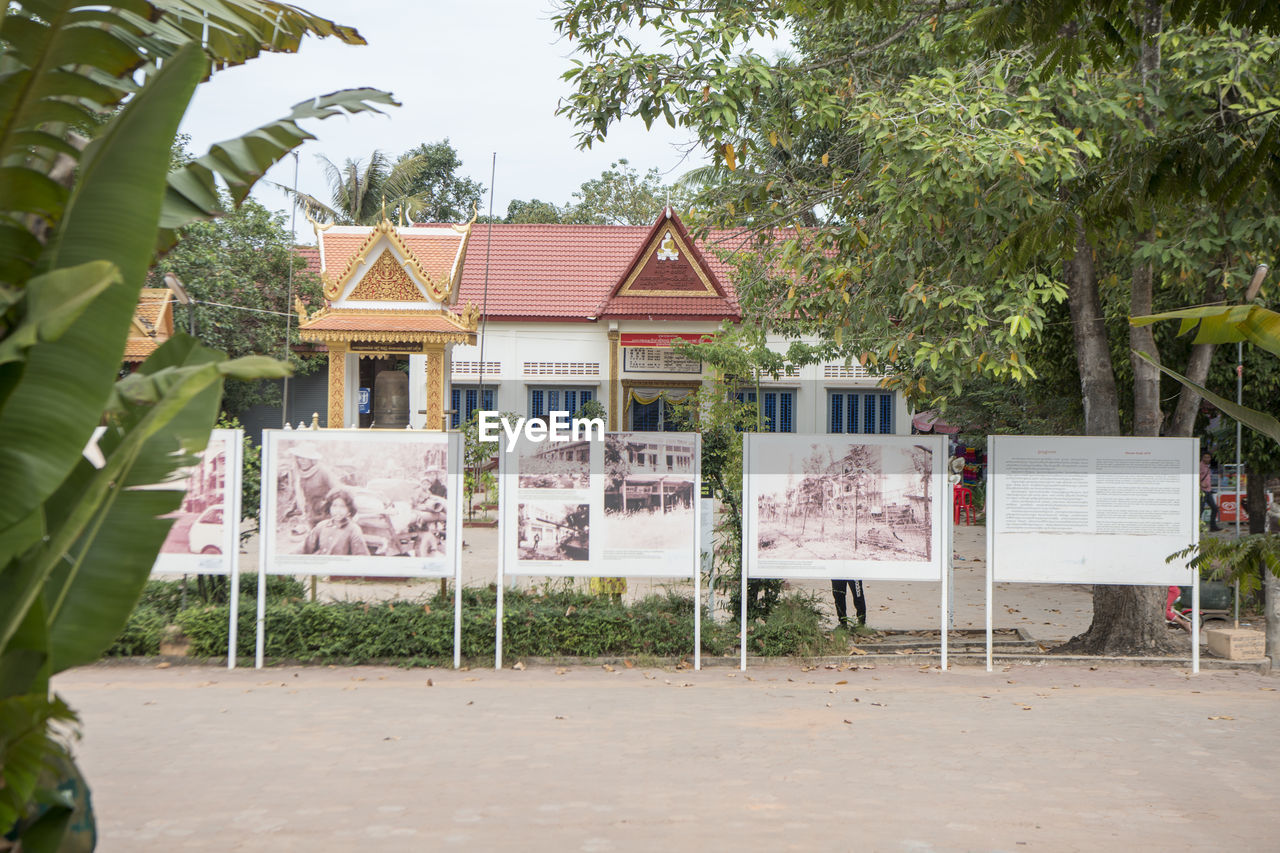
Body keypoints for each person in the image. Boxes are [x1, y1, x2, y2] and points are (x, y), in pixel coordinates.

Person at [303, 489, 370, 556]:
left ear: (349, 509)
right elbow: (305, 548)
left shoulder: (353, 530)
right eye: (334, 506)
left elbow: (361, 557)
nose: (338, 510)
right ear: (329, 507)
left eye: (342, 506)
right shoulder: (321, 526)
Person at [1200, 451, 1221, 532]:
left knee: (1214, 508)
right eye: (1205, 457)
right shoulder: (1200, 466)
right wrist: (1200, 483)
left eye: (1208, 457)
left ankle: (1213, 526)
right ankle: (1198, 526)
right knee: (1201, 509)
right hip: (1202, 491)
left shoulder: (1207, 466)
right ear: (1202, 457)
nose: (1207, 459)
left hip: (1208, 490)